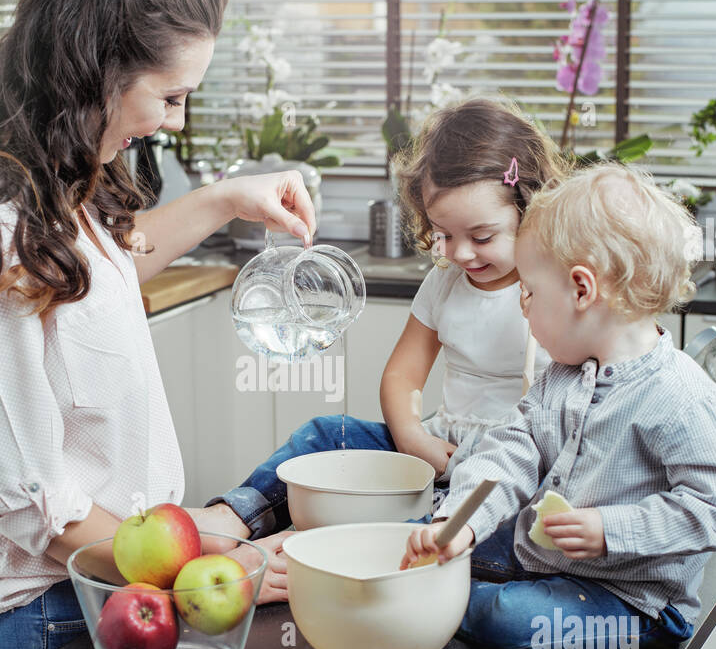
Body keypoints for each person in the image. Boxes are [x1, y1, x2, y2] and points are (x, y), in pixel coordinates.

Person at [0, 0, 316, 649]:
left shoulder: (38, 162)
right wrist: (209, 563)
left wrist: (224, 201)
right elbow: (32, 504)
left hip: (94, 583)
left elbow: (89, 274)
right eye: (170, 96)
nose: (175, 120)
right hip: (37, 613)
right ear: (95, 70)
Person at [402, 163, 716, 649]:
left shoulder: (679, 398)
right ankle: (429, 586)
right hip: (539, 557)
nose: (523, 306)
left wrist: (611, 530)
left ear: (582, 290)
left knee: (510, 622)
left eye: (530, 291)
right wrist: (456, 523)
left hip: (633, 602)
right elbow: (508, 457)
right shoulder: (562, 376)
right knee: (422, 545)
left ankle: (429, 604)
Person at [201, 97, 563, 542]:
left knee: (427, 530)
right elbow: (402, 375)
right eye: (445, 234)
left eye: (482, 236)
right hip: (442, 447)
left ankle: (352, 541)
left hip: (515, 469)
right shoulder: (445, 282)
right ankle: (235, 519)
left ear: (532, 209)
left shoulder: (554, 289)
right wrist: (412, 438)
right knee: (328, 434)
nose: (460, 253)